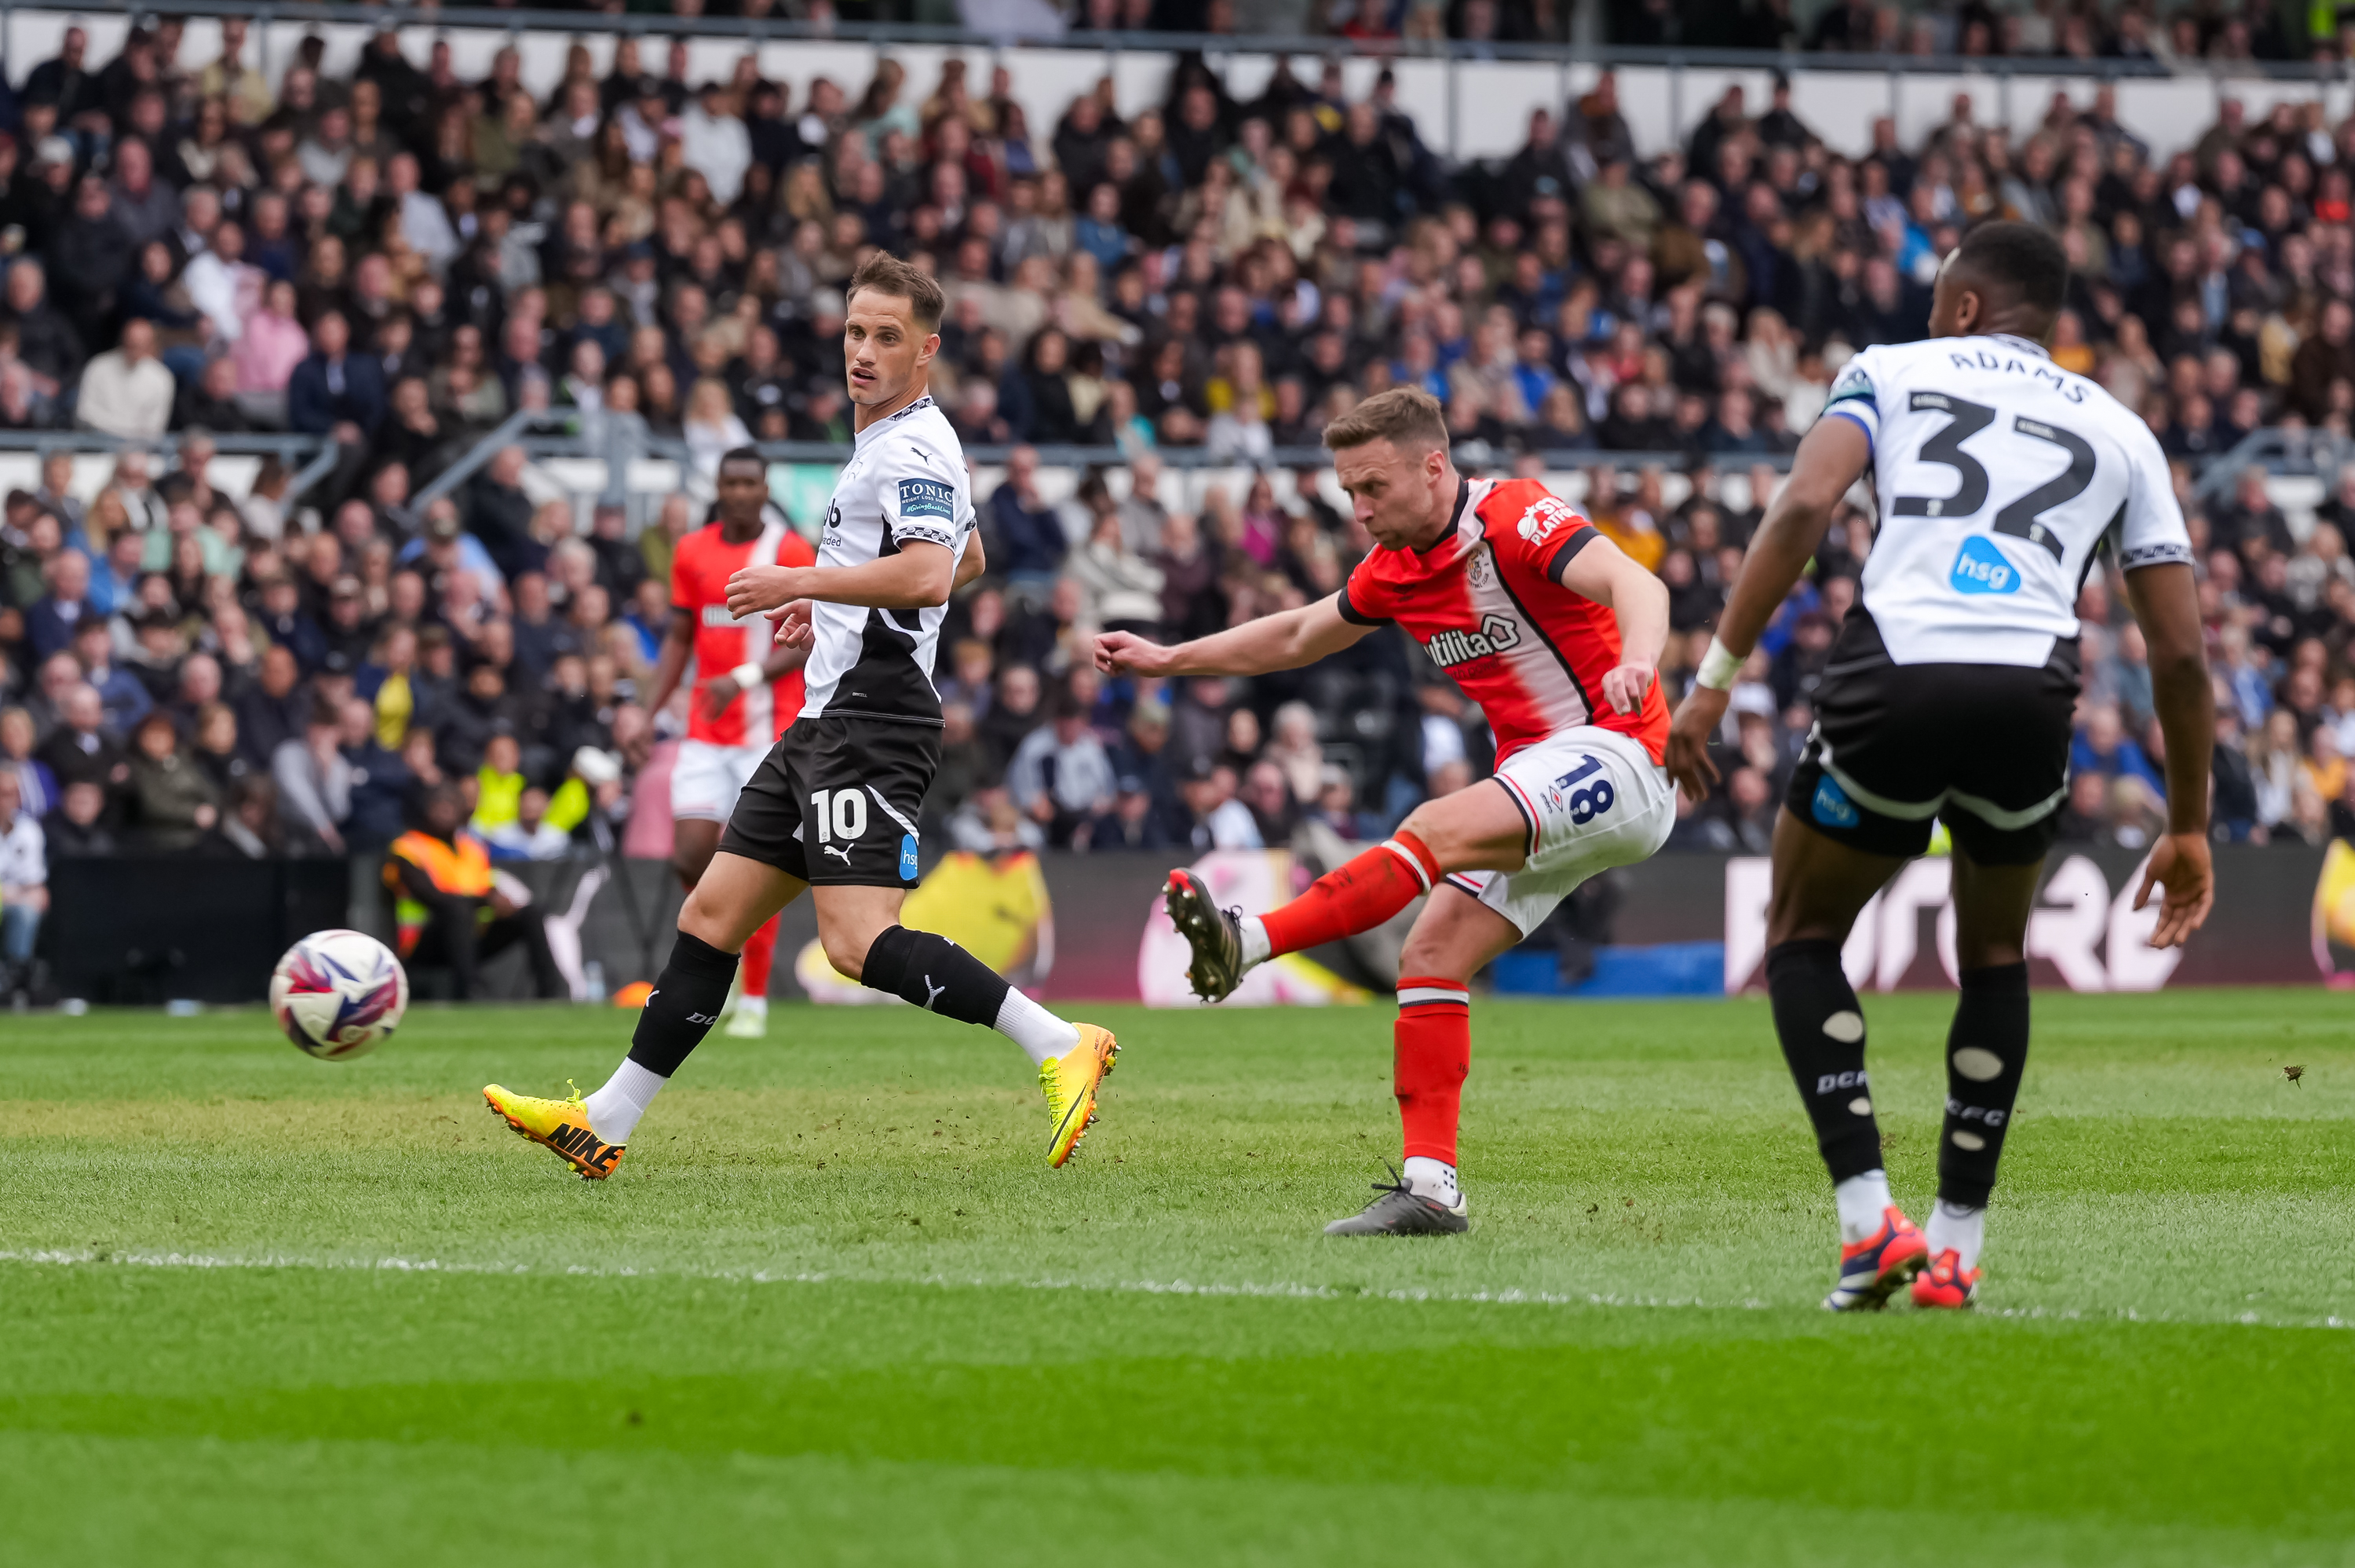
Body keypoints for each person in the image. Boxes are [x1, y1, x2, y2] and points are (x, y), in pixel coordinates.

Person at [1665, 222, 2216, 1312]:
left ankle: (1871, 1221)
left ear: (1964, 306)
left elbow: (1805, 508)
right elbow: (2185, 652)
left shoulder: (1889, 370)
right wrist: (2190, 822)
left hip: (1899, 675)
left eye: (1937, 303)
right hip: (2031, 696)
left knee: (1805, 933)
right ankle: (1957, 1245)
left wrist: (1717, 674)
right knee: (1997, 952)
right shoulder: (2122, 429)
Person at [484, 253, 1118, 1180]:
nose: (863, 351)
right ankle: (606, 1122)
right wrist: (834, 605)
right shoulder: (896, 439)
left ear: (927, 351)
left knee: (856, 943)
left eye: (887, 337)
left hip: (876, 716)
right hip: (827, 718)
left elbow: (934, 574)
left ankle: (1061, 1042)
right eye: (856, 332)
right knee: (710, 914)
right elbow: (969, 556)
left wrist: (805, 580)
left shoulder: (910, 447)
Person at [1094, 385, 1674, 1235]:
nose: (1360, 510)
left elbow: (1636, 582)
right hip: (1538, 781)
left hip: (1619, 753)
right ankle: (1431, 1190)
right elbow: (1295, 637)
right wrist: (1170, 658)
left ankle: (1246, 943)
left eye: (1373, 488)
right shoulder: (1393, 572)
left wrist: (1642, 659)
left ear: (1433, 467)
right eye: (1348, 493)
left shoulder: (1513, 518)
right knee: (1430, 958)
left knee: (1432, 828)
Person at [637, 446, 816, 1039]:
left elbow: (806, 640)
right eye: (729, 482)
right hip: (704, 734)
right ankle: (727, 942)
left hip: (766, 733)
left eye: (749, 482)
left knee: (752, 865)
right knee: (690, 858)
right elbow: (680, 637)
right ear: (718, 487)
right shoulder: (692, 550)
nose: (739, 492)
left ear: (765, 488)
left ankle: (755, 997)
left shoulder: (788, 553)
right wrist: (647, 712)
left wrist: (741, 679)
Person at [385, 782, 564, 1001]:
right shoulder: (407, 848)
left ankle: (552, 996)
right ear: (425, 809)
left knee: (531, 913)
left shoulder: (472, 848)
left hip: (471, 937)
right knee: (456, 909)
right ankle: (470, 994)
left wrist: (499, 900)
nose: (445, 810)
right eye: (438, 805)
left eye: (451, 804)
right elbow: (431, 896)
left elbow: (486, 885)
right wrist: (485, 900)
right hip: (423, 943)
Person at [0, 770, 45, 998]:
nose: (4, 800)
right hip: (9, 896)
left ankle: (13, 981)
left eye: (10, 794)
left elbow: (34, 882)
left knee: (27, 911)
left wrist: (33, 893)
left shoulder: (29, 830)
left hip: (14, 899)